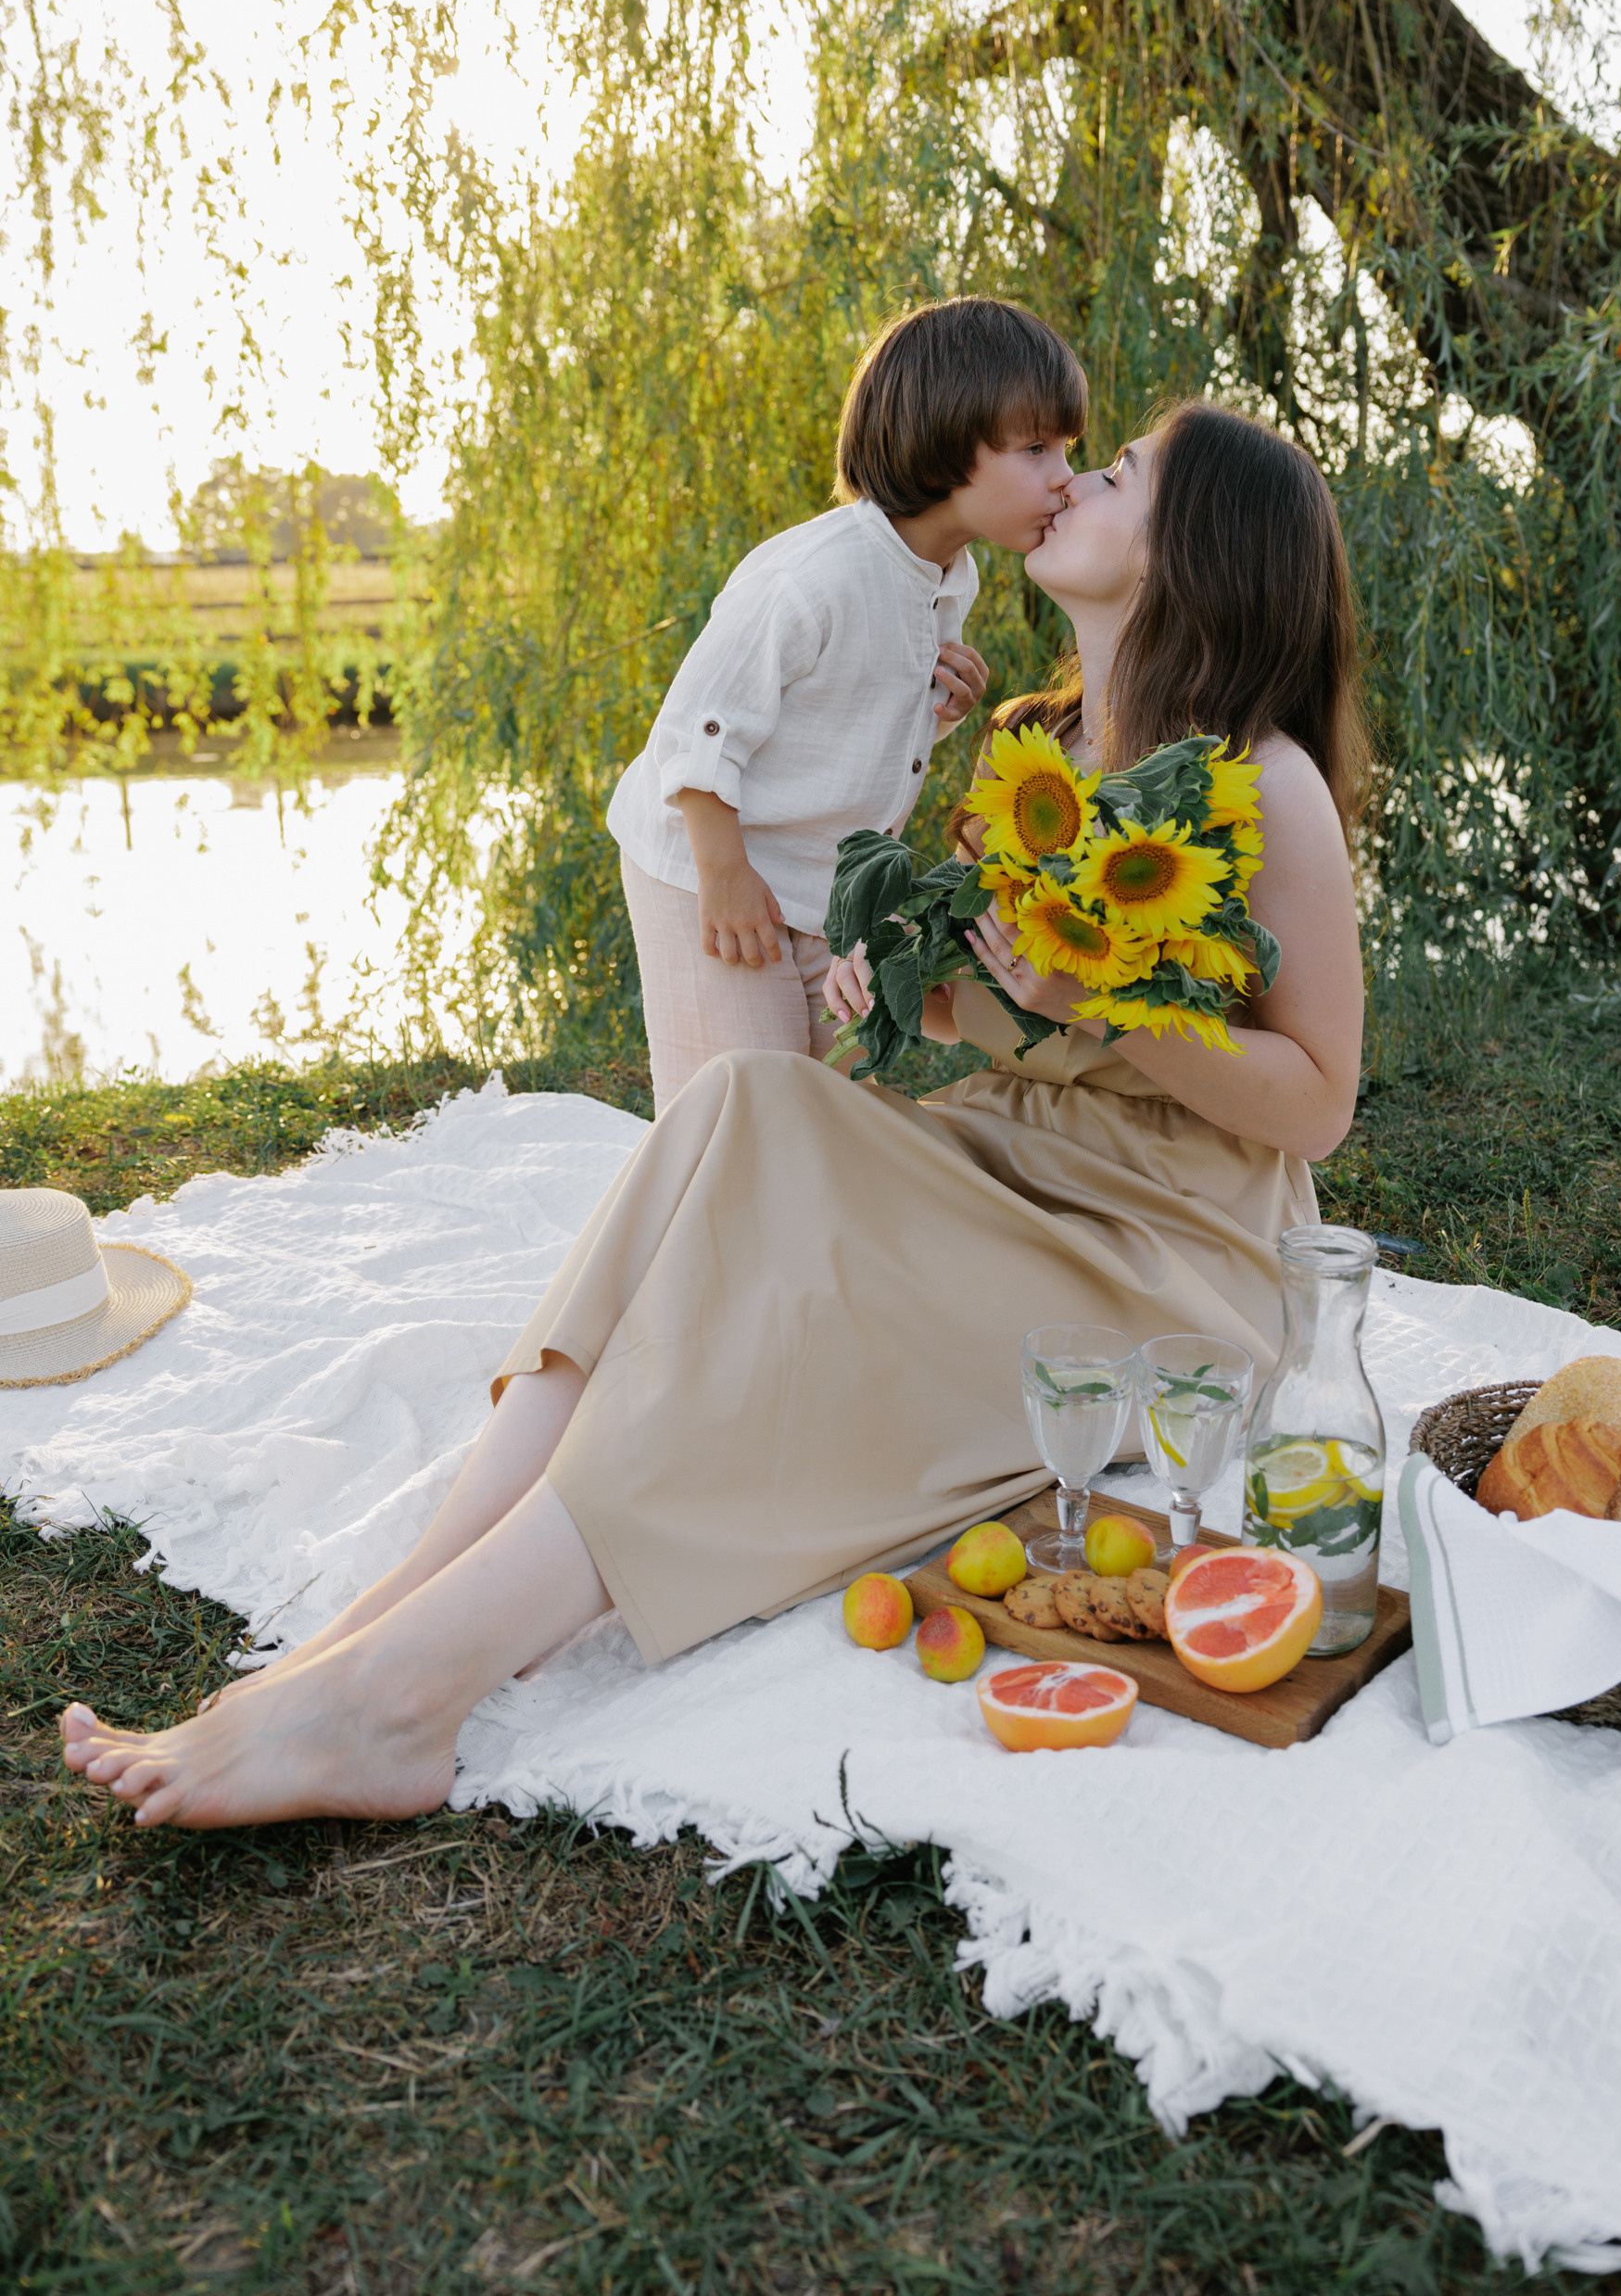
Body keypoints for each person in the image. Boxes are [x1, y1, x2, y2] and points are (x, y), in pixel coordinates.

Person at [61, 401, 1367, 1828]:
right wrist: (929, 994)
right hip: (1019, 1153)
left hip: (1168, 1249)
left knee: (784, 1314)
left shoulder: (1268, 784)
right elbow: (1023, 1020)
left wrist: (1103, 1008)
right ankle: (391, 1605)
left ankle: (403, 1694)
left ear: (1194, 553)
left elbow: (1315, 1107)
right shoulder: (1044, 753)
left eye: (1116, 477)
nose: (1072, 484)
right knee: (746, 1099)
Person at [607, 298, 1085, 1107]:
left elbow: (844, 712)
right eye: (1036, 449)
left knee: (818, 1109)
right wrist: (723, 873)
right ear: (943, 442)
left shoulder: (948, 576)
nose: (1064, 475)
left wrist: (935, 707)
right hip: (709, 864)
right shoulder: (814, 576)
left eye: (1065, 449)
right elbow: (697, 725)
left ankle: (787, 1230)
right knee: (735, 1109)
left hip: (821, 890)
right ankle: (694, 1228)